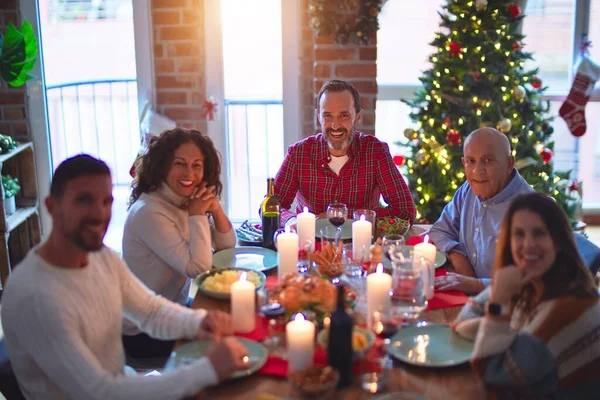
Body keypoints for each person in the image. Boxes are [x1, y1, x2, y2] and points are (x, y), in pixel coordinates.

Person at [0, 155, 249, 400]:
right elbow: (100, 391)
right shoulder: (35, 295)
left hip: (122, 381)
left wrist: (199, 321)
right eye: (84, 200)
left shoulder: (99, 256)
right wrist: (207, 370)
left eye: (106, 201)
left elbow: (150, 310)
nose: (99, 214)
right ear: (52, 206)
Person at [464, 192, 599, 398]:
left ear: (558, 241)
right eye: (519, 234)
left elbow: (490, 373)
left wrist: (498, 303)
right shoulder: (534, 283)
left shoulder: (566, 308)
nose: (528, 245)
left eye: (539, 233)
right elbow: (464, 320)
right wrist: (498, 316)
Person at [122, 128, 236, 359]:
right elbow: (199, 269)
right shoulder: (150, 212)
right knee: (226, 342)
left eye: (196, 165)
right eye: (180, 163)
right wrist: (197, 215)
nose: (189, 173)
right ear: (163, 165)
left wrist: (215, 209)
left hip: (175, 308)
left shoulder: (184, 200)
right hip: (142, 331)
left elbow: (227, 246)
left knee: (236, 316)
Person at [273, 79, 416, 228]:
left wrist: (341, 215)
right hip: (311, 246)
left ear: (358, 116)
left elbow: (405, 211)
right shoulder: (298, 154)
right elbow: (272, 207)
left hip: (360, 246)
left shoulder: (375, 151)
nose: (335, 125)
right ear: (318, 116)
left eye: (344, 116)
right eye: (328, 116)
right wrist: (293, 222)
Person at [429, 128, 533, 294]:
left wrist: (476, 285)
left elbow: (530, 283)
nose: (477, 171)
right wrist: (458, 255)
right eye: (471, 161)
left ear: (509, 164)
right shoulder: (468, 189)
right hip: (466, 294)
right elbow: (441, 230)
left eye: (488, 160)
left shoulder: (531, 212)